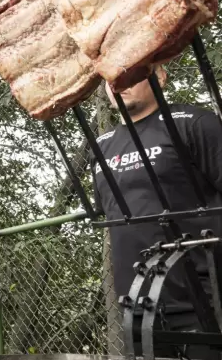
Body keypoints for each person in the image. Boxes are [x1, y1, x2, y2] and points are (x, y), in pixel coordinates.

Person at [92, 66, 222, 360]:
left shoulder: (194, 123)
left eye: (128, 74)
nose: (117, 84)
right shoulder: (101, 146)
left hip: (204, 303)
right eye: (109, 78)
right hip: (137, 306)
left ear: (159, 75)